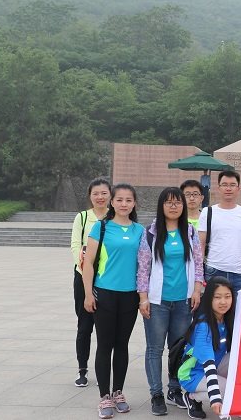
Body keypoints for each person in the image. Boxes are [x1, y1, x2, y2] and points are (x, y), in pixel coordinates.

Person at [137, 187, 204, 415]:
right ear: (161, 205)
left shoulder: (190, 232)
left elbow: (198, 264)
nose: (174, 206)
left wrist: (197, 290)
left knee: (178, 348)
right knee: (155, 349)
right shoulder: (151, 232)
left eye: (178, 202)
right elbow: (143, 268)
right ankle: (156, 394)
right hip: (157, 302)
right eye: (169, 202)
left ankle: (174, 389)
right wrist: (143, 298)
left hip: (183, 302)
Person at [82, 183, 144, 419]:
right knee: (105, 345)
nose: (124, 204)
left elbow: (144, 265)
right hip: (105, 293)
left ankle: (118, 392)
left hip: (130, 295)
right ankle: (104, 396)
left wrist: (143, 296)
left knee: (122, 345)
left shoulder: (140, 230)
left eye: (128, 200)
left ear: (134, 203)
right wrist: (88, 294)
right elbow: (88, 263)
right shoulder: (101, 227)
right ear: (112, 202)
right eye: (119, 199)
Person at [70, 177, 111, 388]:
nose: (100, 197)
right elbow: (75, 244)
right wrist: (84, 264)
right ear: (90, 196)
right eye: (96, 193)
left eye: (104, 193)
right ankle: (82, 369)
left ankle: (102, 370)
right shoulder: (83, 217)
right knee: (84, 326)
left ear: (110, 195)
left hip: (108, 278)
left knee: (105, 328)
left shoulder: (115, 217)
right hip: (83, 275)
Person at [177, 276, 233, 420]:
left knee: (240, 360)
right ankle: (192, 397)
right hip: (193, 373)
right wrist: (215, 397)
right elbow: (208, 362)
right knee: (228, 389)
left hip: (216, 364)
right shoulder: (203, 325)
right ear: (209, 299)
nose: (223, 302)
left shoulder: (228, 318)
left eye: (227, 296)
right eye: (218, 297)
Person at [198, 170, 241, 295]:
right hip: (214, 270)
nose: (228, 188)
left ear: (238, 189)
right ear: (219, 188)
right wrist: (198, 275)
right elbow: (201, 244)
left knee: (238, 307)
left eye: (232, 185)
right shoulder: (207, 212)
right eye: (224, 185)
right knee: (214, 307)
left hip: (240, 273)